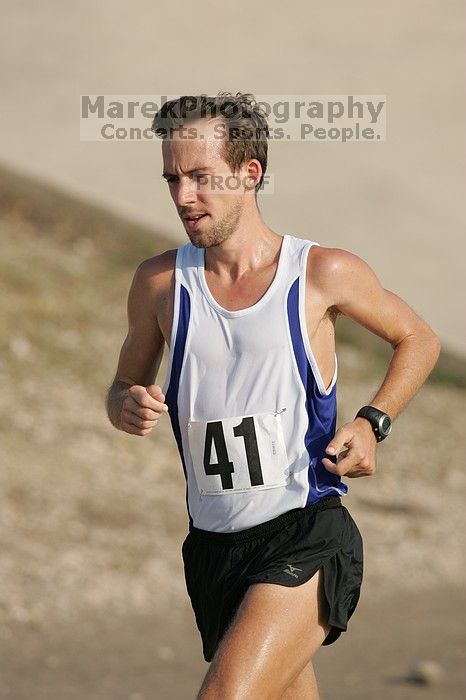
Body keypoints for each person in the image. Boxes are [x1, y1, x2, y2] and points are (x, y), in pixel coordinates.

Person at [105, 92, 441, 699]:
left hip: (304, 534)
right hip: (211, 549)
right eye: (172, 179)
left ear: (249, 173)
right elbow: (121, 387)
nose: (183, 197)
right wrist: (126, 404)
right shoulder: (159, 283)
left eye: (201, 178)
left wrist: (372, 422)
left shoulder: (319, 273)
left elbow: (418, 338)